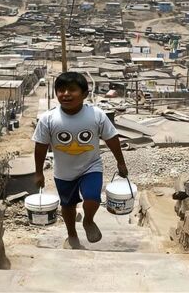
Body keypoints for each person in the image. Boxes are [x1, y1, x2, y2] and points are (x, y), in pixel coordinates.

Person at [32, 72, 128, 249]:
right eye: (61, 90)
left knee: (92, 198)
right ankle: (71, 234)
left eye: (72, 90)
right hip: (63, 172)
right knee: (68, 205)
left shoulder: (96, 115)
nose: (66, 94)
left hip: (91, 166)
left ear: (84, 94)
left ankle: (88, 221)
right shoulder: (48, 119)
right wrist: (38, 172)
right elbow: (40, 146)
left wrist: (120, 163)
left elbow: (112, 138)